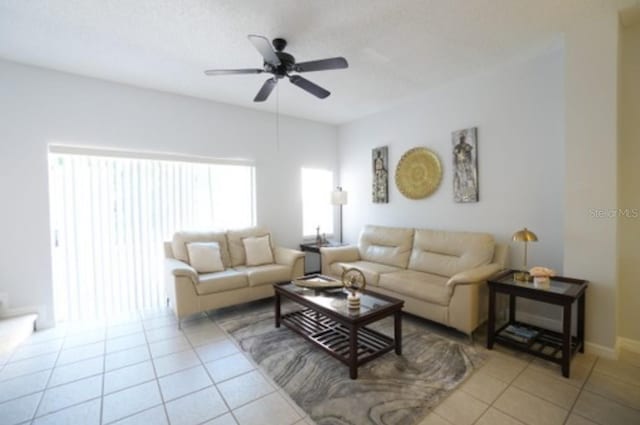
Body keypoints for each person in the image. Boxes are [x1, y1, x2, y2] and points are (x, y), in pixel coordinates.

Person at [453, 132, 477, 202]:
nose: (462, 139)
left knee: (468, 178)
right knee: (461, 178)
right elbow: (455, 156)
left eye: (463, 137)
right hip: (460, 164)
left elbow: (470, 155)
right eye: (461, 138)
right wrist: (456, 164)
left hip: (466, 163)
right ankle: (462, 195)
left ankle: (468, 195)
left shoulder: (467, 146)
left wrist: (469, 163)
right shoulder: (457, 147)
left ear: (465, 138)